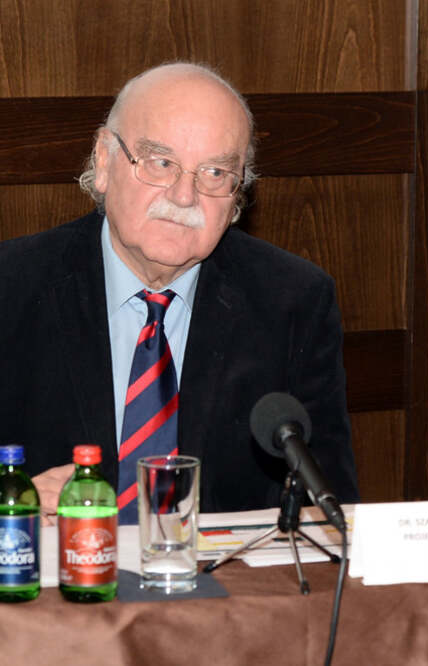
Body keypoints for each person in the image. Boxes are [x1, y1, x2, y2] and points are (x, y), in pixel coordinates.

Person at [0, 62, 359, 520]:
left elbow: (331, 504)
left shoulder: (294, 301)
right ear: (104, 161)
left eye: (215, 173)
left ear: (238, 193)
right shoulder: (11, 287)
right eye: (161, 163)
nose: (184, 196)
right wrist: (12, 508)